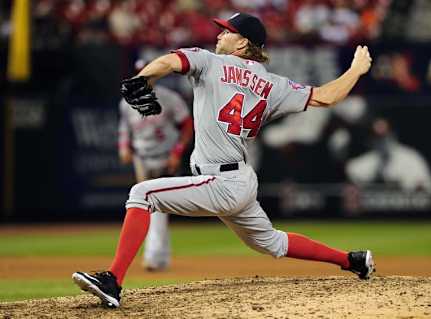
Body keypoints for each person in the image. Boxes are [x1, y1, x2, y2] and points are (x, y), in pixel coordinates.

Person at [72, 12, 374, 308]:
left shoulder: (210, 62)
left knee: (143, 193)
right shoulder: (274, 85)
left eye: (227, 32)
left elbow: (168, 61)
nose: (219, 35)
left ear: (242, 44)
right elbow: (327, 96)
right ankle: (352, 260)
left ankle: (113, 280)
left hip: (220, 182)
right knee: (272, 242)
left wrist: (143, 79)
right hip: (241, 179)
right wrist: (356, 70)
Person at [118, 67, 194, 271]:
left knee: (155, 205)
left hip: (164, 157)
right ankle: (160, 257)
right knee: (151, 205)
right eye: (138, 74)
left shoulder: (169, 98)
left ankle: (154, 256)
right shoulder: (127, 101)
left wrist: (177, 152)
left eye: (146, 75)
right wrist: (124, 146)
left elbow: (187, 125)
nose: (141, 78)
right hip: (142, 159)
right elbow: (125, 128)